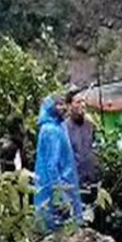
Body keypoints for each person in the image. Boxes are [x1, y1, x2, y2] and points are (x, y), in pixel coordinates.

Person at [33, 95, 82, 233]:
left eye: (63, 104)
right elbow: (51, 166)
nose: (63, 108)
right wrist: (61, 195)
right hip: (57, 188)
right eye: (58, 105)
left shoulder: (58, 126)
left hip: (66, 183)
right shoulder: (50, 130)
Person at [63, 88, 99, 207]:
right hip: (74, 183)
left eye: (83, 101)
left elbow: (95, 147)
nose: (82, 105)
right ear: (69, 106)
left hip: (93, 179)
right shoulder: (64, 129)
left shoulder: (90, 125)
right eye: (78, 102)